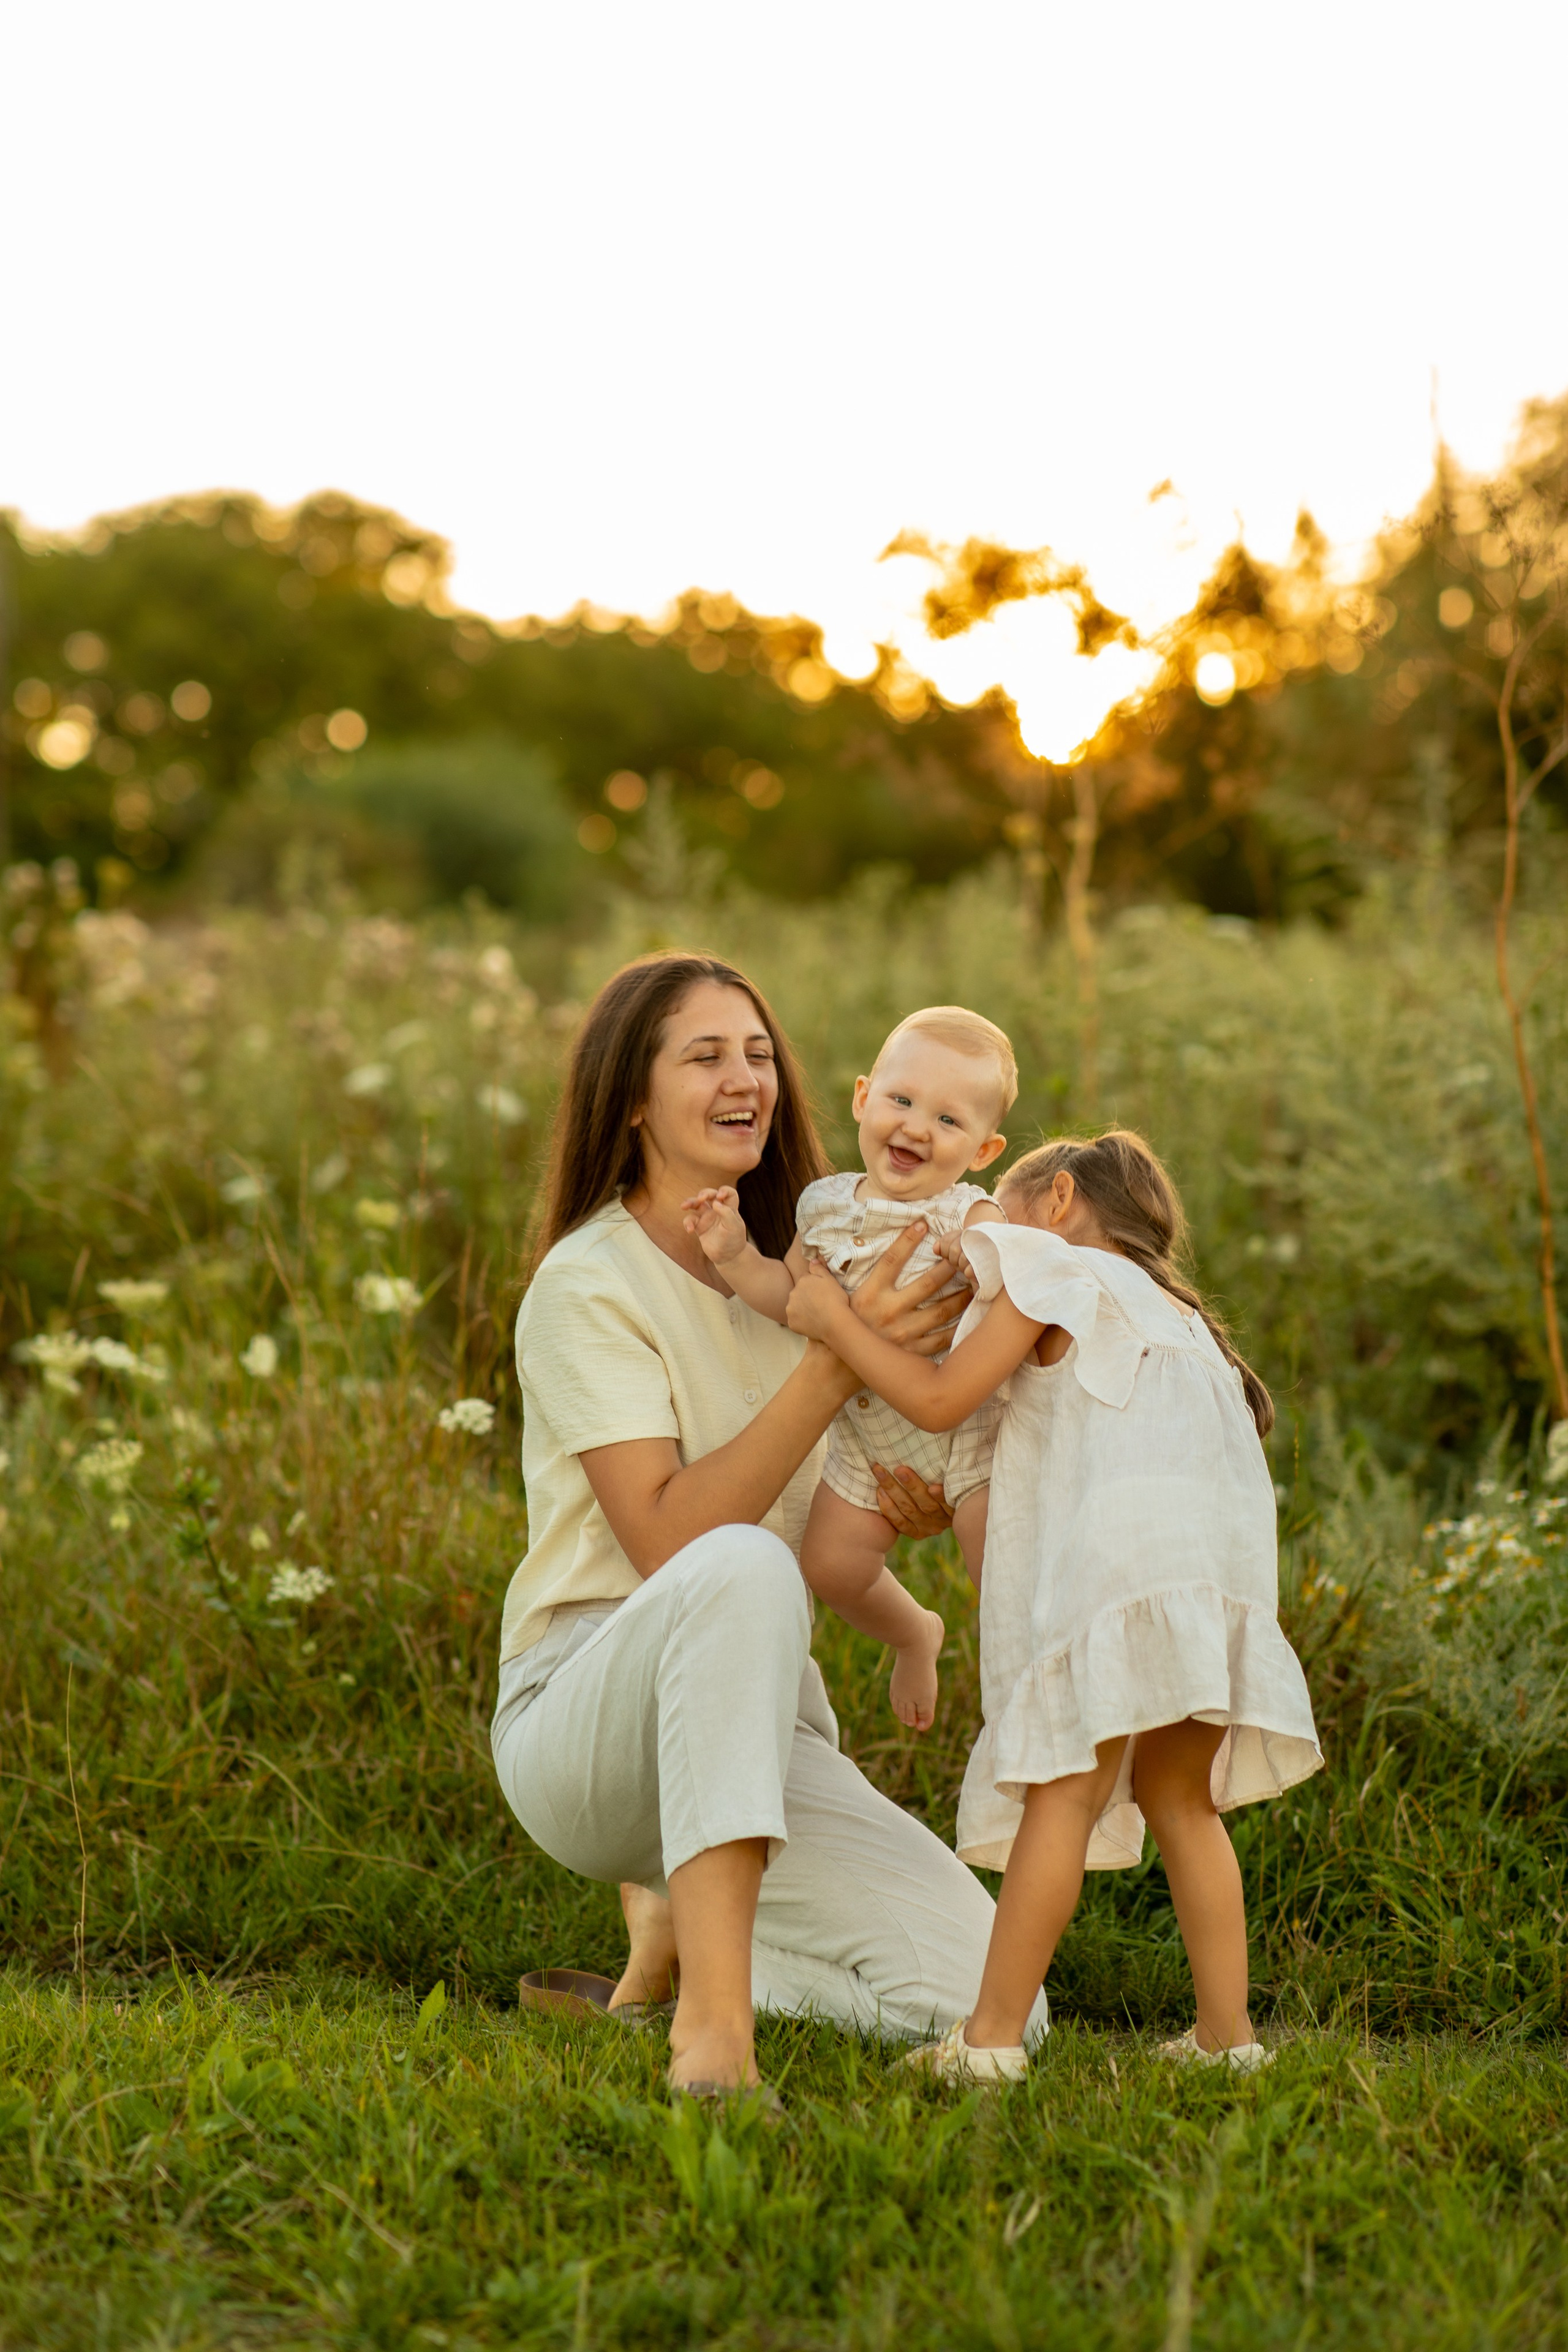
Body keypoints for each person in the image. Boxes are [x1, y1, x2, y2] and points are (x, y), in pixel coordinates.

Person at [490, 951, 1047, 2100]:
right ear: (633, 1098)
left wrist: (919, 1491)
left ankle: (698, 1939)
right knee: (732, 1562)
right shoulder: (587, 1284)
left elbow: (866, 1466)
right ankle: (712, 2038)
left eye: (758, 1053)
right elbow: (669, 1547)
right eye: (705, 1056)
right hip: (587, 1717)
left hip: (756, 1728)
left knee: (1002, 2005)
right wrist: (842, 1363)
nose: (746, 1076)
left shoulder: (813, 1262)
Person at [784, 1128, 1323, 2082]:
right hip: (1212, 1593)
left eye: (1007, 1200)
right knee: (1184, 1804)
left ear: (1060, 1201)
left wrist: (833, 1318)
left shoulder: (1043, 1267)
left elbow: (944, 1400)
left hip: (1112, 1585)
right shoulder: (1184, 1321)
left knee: (1061, 1797)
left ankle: (988, 2044)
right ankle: (1227, 2040)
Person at [682, 1005, 1015, 1733]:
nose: (917, 1128)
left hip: (973, 1445)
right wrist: (736, 1255)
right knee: (829, 1566)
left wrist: (982, 1262)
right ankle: (912, 1634)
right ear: (864, 1099)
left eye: (949, 1121)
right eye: (901, 1101)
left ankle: (1022, 1684)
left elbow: (1015, 1280)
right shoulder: (824, 1205)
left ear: (985, 1150)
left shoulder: (970, 1213)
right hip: (865, 1445)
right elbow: (789, 1298)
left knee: (1003, 1574)